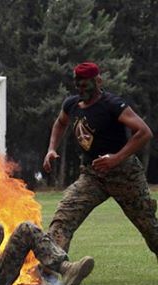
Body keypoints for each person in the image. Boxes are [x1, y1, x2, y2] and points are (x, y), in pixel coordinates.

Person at [43, 61, 158, 255]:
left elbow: (144, 132)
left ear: (98, 81)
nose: (81, 89)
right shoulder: (71, 104)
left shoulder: (112, 105)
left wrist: (116, 158)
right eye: (78, 85)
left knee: (149, 228)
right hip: (92, 175)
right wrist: (51, 149)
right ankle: (53, 271)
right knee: (63, 218)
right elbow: (60, 123)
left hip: (124, 175)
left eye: (85, 84)